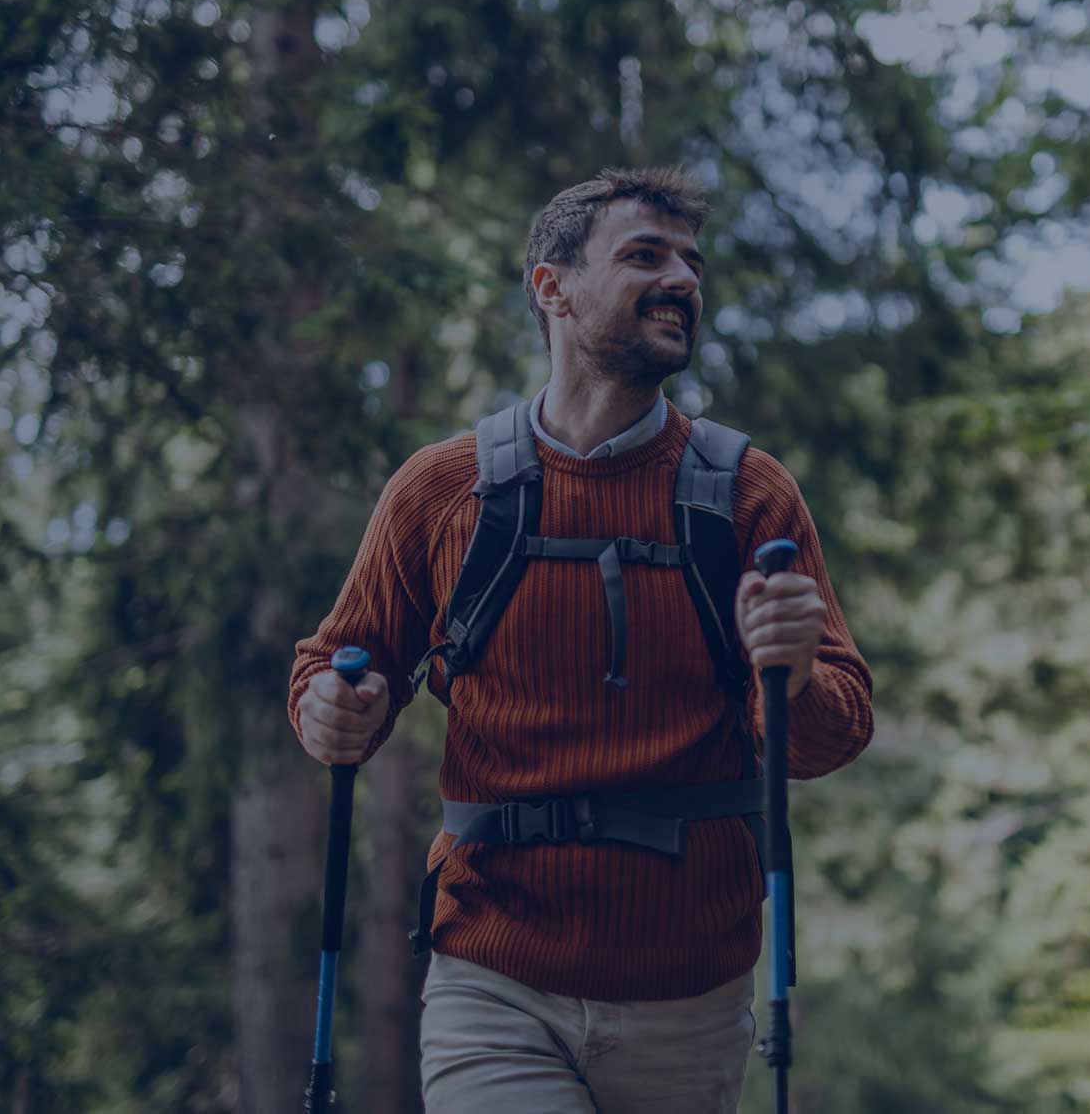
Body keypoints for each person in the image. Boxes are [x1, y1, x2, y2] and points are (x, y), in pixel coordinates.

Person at [289, 167, 874, 1112]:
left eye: (691, 263)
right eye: (645, 255)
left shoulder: (745, 494)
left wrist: (796, 673)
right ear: (552, 288)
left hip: (693, 990)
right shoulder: (442, 491)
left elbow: (827, 739)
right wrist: (332, 710)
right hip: (493, 977)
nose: (681, 279)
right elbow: (333, 667)